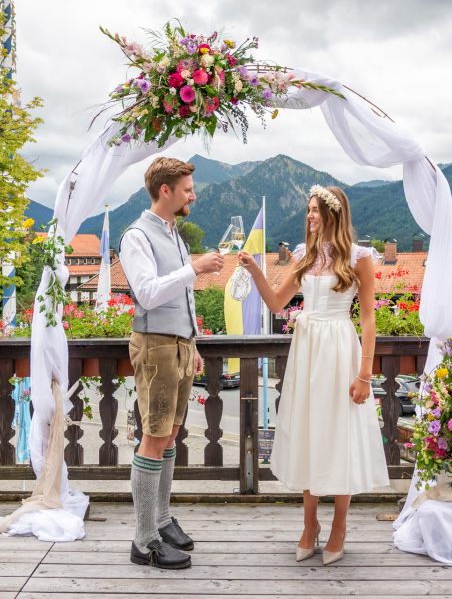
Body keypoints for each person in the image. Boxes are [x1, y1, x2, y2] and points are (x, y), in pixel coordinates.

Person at [238, 185, 389, 565]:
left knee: (338, 435)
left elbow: (368, 316)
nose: (310, 216)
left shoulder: (359, 258)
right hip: (306, 352)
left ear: (333, 214)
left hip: (339, 348)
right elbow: (275, 302)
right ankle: (309, 525)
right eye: (308, 210)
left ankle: (339, 525)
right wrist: (256, 269)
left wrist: (365, 373)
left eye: (315, 210)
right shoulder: (304, 256)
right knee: (308, 433)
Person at [120, 157, 224, 569]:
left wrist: (193, 342)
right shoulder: (136, 236)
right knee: (154, 436)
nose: (193, 195)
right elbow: (146, 293)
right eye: (187, 189)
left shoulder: (173, 233)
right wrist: (193, 267)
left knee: (171, 433)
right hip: (155, 345)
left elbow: (185, 296)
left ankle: (161, 520)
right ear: (165, 191)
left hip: (179, 345)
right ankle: (143, 541)